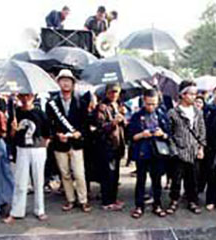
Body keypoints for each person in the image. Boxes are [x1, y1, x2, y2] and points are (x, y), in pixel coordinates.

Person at [46, 70, 91, 213]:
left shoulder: (81, 102)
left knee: (79, 173)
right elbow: (49, 124)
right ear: (58, 82)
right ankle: (70, 199)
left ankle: (83, 200)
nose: (65, 83)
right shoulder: (51, 103)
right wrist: (57, 134)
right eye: (62, 80)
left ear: (73, 83)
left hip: (76, 143)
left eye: (68, 80)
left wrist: (79, 133)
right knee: (64, 174)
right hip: (60, 144)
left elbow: (86, 123)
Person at [4, 93, 51, 223]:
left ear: (33, 97)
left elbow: (47, 133)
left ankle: (40, 209)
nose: (25, 99)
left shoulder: (40, 113)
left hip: (38, 148)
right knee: (20, 181)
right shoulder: (15, 113)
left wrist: (43, 146)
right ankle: (16, 211)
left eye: (28, 96)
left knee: (38, 180)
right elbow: (10, 136)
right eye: (22, 96)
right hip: (22, 148)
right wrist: (13, 129)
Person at [127, 89, 170, 218]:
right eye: (149, 104)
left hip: (157, 152)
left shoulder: (162, 114)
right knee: (141, 180)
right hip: (142, 151)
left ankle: (157, 205)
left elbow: (169, 134)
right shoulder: (136, 116)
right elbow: (131, 137)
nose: (151, 107)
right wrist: (142, 134)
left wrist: (162, 134)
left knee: (157, 181)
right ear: (144, 101)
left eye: (154, 104)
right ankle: (139, 206)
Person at [167, 80, 206, 215]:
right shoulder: (173, 112)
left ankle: (192, 201)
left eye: (195, 94)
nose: (194, 97)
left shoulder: (198, 112)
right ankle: (174, 201)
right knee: (176, 179)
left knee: (193, 179)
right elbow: (169, 134)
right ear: (183, 95)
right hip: (179, 150)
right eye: (191, 94)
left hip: (194, 151)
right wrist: (174, 151)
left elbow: (202, 131)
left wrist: (201, 148)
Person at [94, 82, 126, 211]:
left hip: (117, 145)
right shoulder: (101, 107)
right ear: (106, 93)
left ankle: (113, 198)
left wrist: (123, 120)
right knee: (108, 175)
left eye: (116, 92)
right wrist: (113, 122)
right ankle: (107, 201)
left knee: (115, 175)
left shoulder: (118, 106)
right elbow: (99, 127)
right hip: (107, 146)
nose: (114, 94)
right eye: (111, 92)